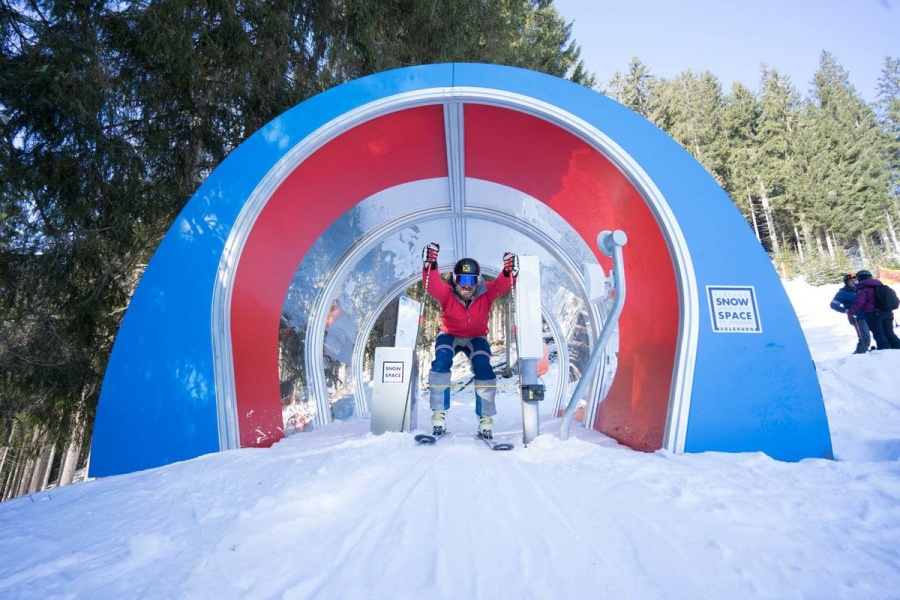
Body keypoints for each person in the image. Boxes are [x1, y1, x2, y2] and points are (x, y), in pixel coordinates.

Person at [421, 242, 518, 439]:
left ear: (478, 281)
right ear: (455, 280)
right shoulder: (448, 293)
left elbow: (502, 285)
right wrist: (430, 264)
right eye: (462, 280)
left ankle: (485, 417)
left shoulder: (486, 292)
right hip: (450, 334)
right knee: (441, 360)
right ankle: (439, 413)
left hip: (476, 336)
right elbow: (432, 285)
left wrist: (508, 272)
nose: (467, 286)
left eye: (471, 280)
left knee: (483, 366)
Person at [848, 269, 900, 350]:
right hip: (887, 313)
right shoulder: (881, 285)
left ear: (860, 278)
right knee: (890, 333)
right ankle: (897, 349)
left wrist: (850, 312)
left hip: (873, 315)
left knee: (879, 335)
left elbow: (860, 303)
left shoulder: (862, 288)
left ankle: (885, 352)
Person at [830, 273, 871, 354]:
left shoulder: (860, 289)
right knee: (864, 336)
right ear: (846, 282)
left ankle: (866, 351)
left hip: (868, 315)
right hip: (857, 317)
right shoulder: (842, 292)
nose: (854, 282)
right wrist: (845, 310)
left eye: (855, 280)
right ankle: (860, 353)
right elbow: (833, 304)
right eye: (851, 280)